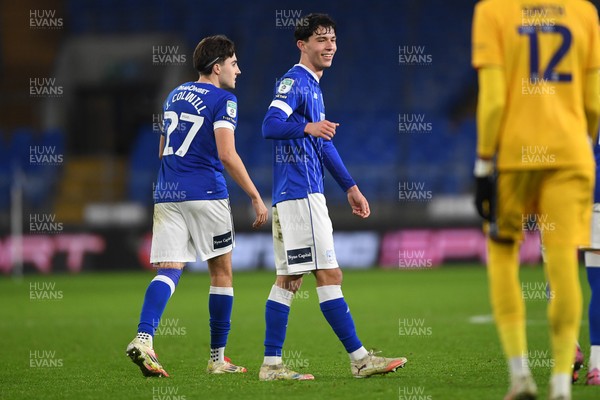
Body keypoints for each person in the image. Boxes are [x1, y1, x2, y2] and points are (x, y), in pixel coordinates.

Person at [258, 13, 407, 381]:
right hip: (301, 195)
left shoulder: (313, 87)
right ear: (302, 44)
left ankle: (271, 365)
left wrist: (350, 187)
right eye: (321, 39)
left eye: (333, 40)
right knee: (330, 273)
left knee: (289, 280)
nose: (330, 46)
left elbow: (323, 145)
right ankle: (359, 359)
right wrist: (308, 125)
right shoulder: (294, 82)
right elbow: (269, 125)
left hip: (298, 195)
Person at [472, 1, 600, 399]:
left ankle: (520, 375)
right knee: (565, 264)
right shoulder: (584, 12)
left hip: (516, 154)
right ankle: (561, 382)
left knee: (504, 255)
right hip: (573, 156)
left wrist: (483, 164)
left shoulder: (492, 12)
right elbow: (595, 104)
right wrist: (579, 138)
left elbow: (492, 102)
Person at [126, 35, 268, 377]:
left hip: (167, 191)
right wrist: (255, 195)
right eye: (234, 63)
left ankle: (144, 337)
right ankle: (218, 359)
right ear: (217, 67)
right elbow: (226, 154)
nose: (239, 70)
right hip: (205, 193)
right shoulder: (225, 100)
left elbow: (162, 150)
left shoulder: (173, 95)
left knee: (170, 270)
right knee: (221, 273)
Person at [582, 139, 600, 385]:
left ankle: (568, 351)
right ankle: (597, 365)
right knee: (598, 280)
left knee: (556, 270)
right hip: (596, 190)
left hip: (556, 189)